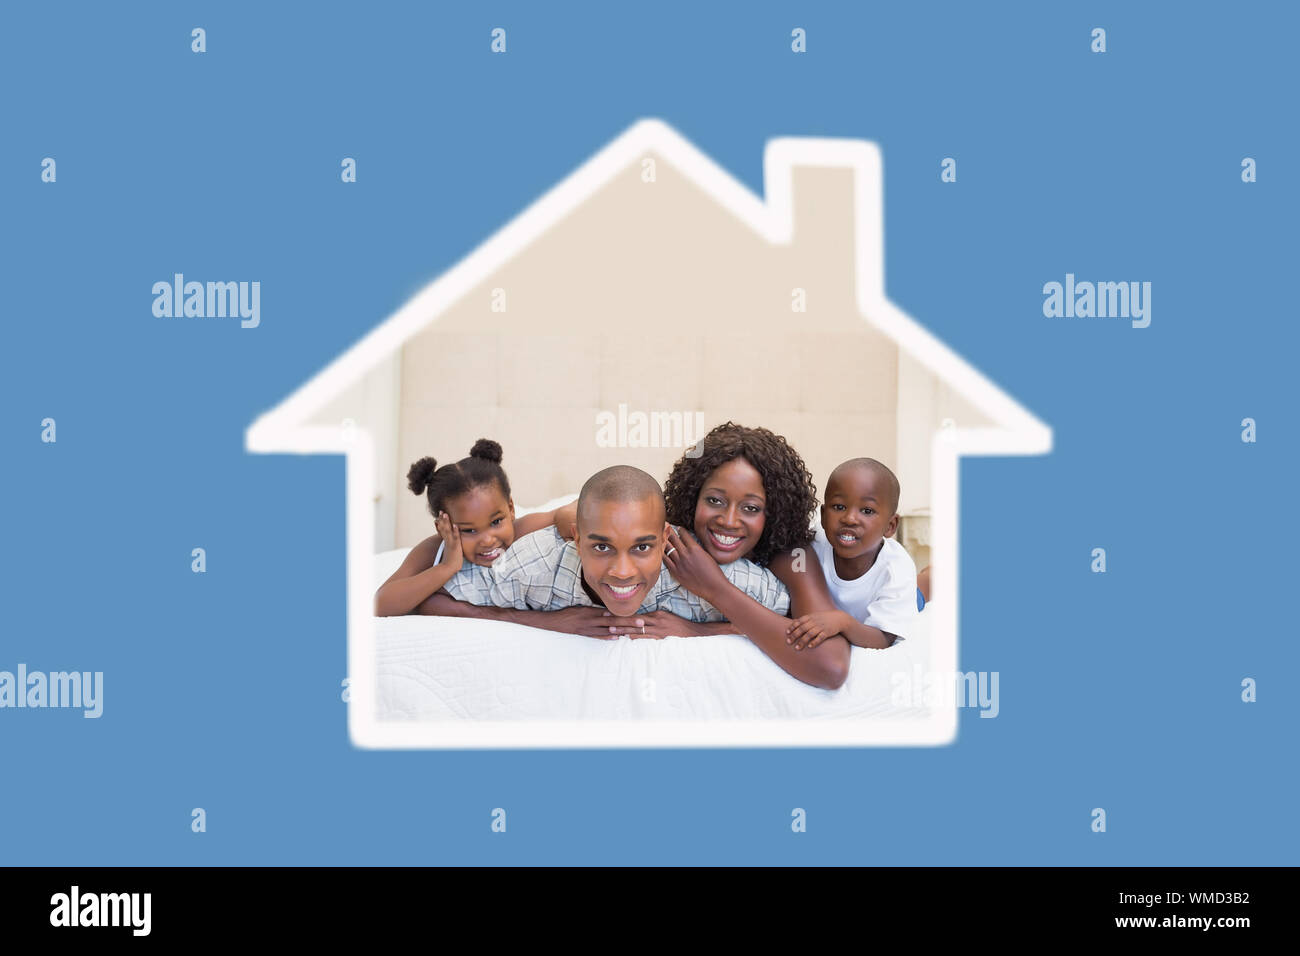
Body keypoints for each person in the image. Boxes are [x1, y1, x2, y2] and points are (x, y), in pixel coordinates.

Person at [419, 465, 790, 637]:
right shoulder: (529, 567)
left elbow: (787, 621)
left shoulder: (706, 573)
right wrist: (540, 621)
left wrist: (696, 631)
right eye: (601, 547)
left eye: (643, 547)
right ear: (577, 541)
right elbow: (431, 601)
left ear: (664, 539)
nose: (623, 571)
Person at [640, 423, 851, 690]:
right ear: (694, 498)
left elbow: (831, 666)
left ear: (773, 512)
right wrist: (571, 618)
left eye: (750, 508)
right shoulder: (673, 537)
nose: (729, 521)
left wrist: (714, 589)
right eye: (715, 501)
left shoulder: (792, 556)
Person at [374, 439, 571, 617]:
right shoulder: (434, 549)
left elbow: (565, 512)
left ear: (510, 509)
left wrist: (565, 517)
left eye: (496, 522)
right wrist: (447, 567)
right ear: (442, 528)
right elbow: (380, 605)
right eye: (469, 530)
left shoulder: (520, 529)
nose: (487, 540)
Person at [785, 458, 918, 650]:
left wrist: (843, 622)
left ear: (890, 526)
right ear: (823, 516)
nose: (850, 519)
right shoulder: (812, 540)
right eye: (839, 507)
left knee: (920, 592)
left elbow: (883, 638)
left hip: (894, 599)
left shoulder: (896, 570)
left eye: (867, 510)